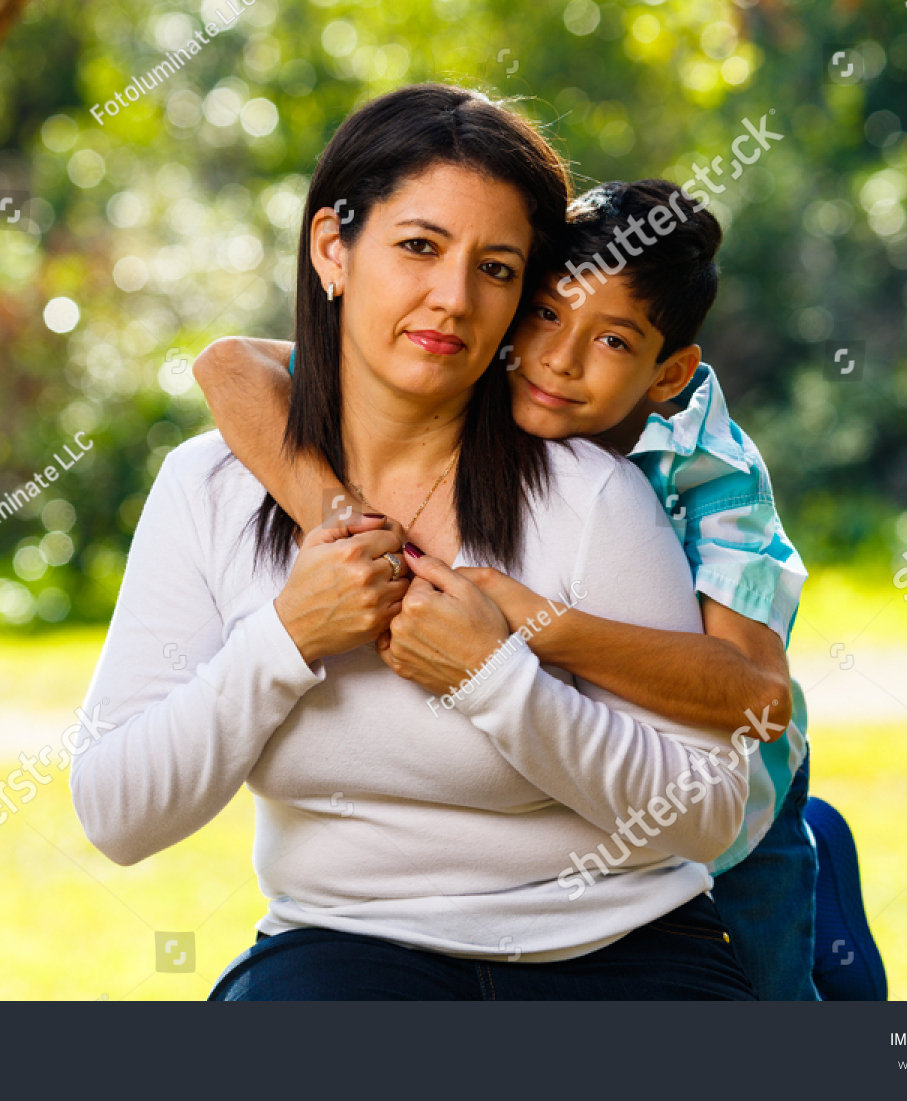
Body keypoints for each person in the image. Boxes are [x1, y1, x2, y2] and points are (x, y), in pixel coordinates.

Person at [71, 85, 754, 1000]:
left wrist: (499, 680)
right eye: (419, 246)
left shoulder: (591, 495)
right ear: (332, 249)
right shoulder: (210, 489)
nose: (453, 298)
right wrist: (284, 639)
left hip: (618, 944)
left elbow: (708, 815)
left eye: (499, 268)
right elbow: (117, 813)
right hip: (347, 946)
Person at [193, 178, 864, 1000]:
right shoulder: (468, 372)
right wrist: (348, 531)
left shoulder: (709, 466)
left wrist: (533, 625)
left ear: (668, 371)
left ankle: (839, 937)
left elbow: (758, 695)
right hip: (594, 799)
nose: (559, 359)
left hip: (739, 795)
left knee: (773, 992)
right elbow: (229, 363)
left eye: (613, 342)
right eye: (545, 314)